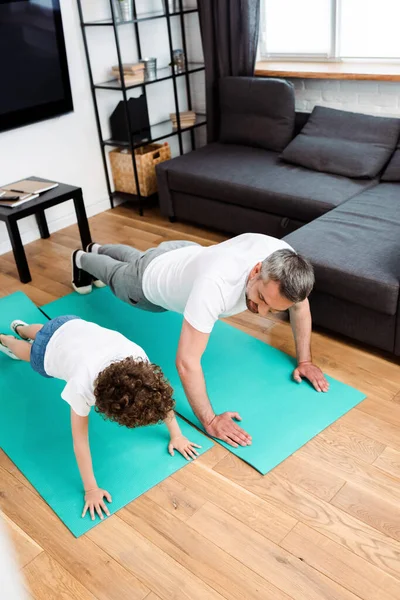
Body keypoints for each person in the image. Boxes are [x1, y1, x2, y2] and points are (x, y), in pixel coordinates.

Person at [71, 233, 330, 448]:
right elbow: (186, 362)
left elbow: (299, 306)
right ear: (257, 269)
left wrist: (305, 360)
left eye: (272, 309)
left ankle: (98, 246)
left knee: (139, 258)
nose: (261, 313)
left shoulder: (284, 259)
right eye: (261, 299)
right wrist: (210, 420)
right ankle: (82, 257)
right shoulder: (215, 285)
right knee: (117, 275)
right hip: (149, 284)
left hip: (186, 254)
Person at [0, 317, 200, 521]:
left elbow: (158, 398)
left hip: (67, 324)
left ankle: (21, 328)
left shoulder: (138, 358)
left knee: (42, 330)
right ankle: (6, 340)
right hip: (47, 353)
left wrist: (177, 434)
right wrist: (91, 489)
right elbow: (80, 441)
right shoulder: (82, 387)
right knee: (26, 352)